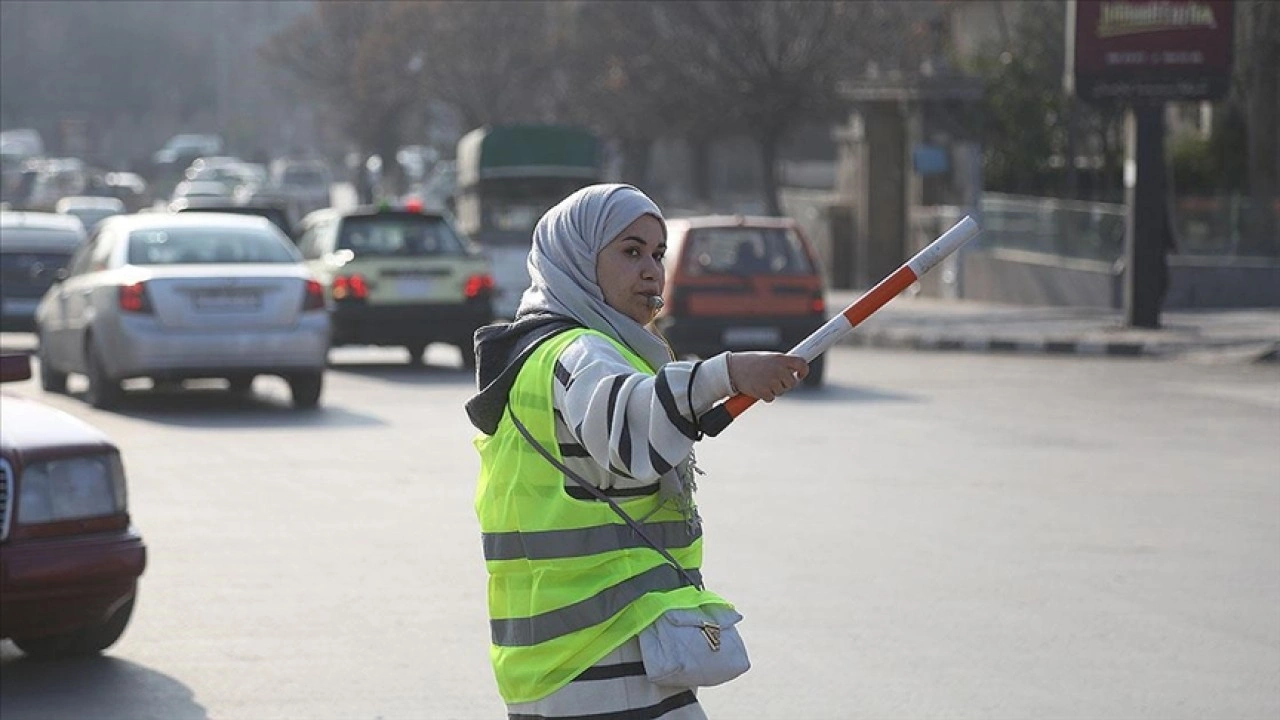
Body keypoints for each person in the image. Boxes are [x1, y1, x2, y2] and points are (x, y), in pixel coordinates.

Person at [465, 184, 808, 719]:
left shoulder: (543, 350)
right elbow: (631, 429)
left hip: (562, 662)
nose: (651, 270)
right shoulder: (578, 351)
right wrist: (728, 372)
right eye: (630, 252)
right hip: (605, 654)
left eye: (657, 253)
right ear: (576, 259)